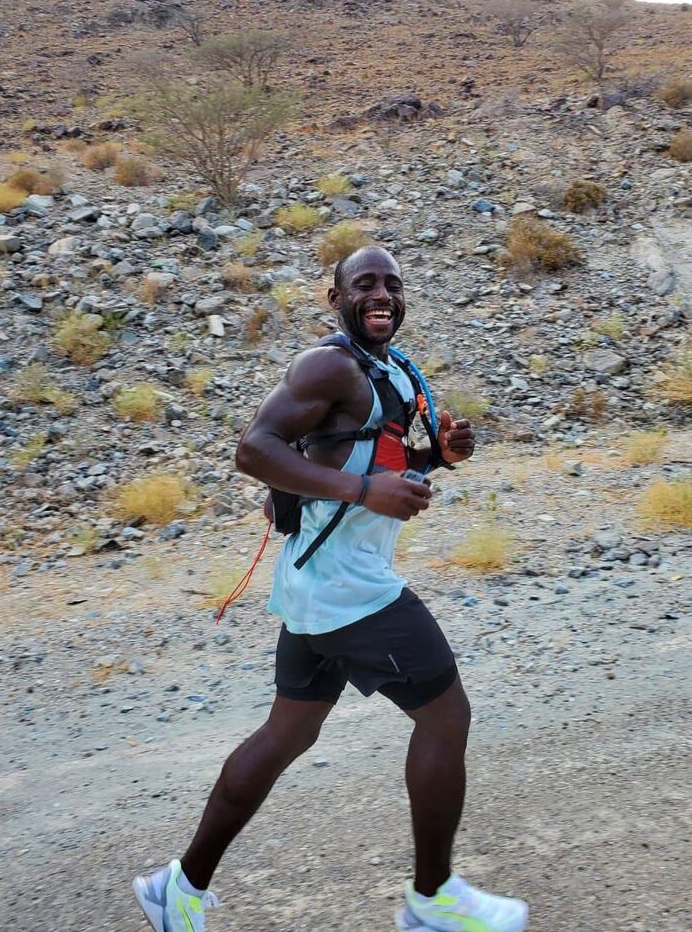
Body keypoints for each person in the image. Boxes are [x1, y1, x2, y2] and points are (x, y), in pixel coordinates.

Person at [133, 246, 529, 932]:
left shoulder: (393, 369)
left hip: (319, 588)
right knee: (446, 718)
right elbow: (254, 449)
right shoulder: (329, 365)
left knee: (287, 735)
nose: (382, 294)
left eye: (393, 285)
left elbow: (370, 450)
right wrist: (364, 491)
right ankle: (432, 901)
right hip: (350, 590)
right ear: (336, 297)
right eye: (365, 284)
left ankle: (178, 887)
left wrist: (443, 455)